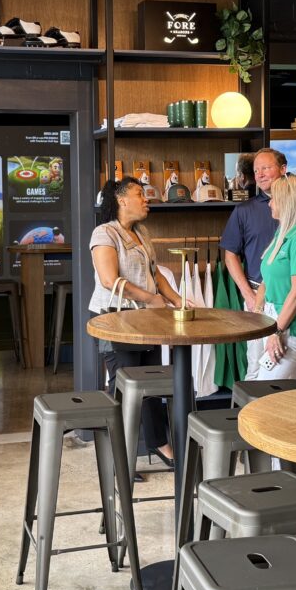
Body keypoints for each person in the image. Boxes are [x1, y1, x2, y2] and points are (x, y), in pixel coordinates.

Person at [89, 177, 183, 466]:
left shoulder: (142, 233)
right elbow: (109, 280)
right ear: (121, 200)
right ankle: (119, 458)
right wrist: (150, 298)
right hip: (114, 319)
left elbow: (156, 275)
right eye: (140, 194)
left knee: (150, 384)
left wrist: (176, 299)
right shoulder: (104, 233)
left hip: (145, 319)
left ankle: (159, 443)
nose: (146, 199)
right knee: (124, 388)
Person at [220, 148, 296, 379]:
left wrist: (277, 329)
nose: (259, 174)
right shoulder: (249, 213)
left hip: (289, 318)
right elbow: (234, 257)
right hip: (265, 309)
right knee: (256, 374)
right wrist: (254, 302)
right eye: (255, 170)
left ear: (282, 170)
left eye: (265, 167)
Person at [249, 174, 296, 382]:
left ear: (288, 202)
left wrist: (276, 332)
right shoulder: (283, 234)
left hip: (291, 330)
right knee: (283, 398)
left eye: (274, 198)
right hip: (277, 325)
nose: (270, 203)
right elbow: (267, 278)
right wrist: (258, 308)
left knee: (262, 393)